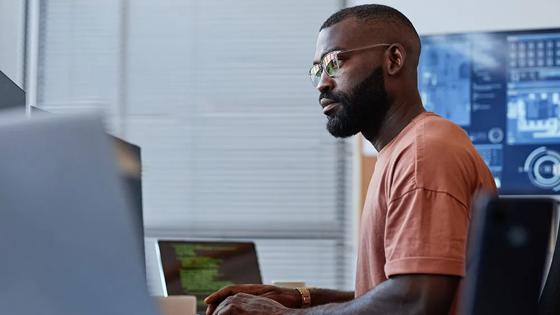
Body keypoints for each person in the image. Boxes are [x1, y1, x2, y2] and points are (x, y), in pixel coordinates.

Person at [204, 4, 497, 315]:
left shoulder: (422, 153)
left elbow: (415, 301)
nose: (322, 83)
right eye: (318, 70)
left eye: (335, 62)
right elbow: (393, 292)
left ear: (393, 60)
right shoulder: (406, 149)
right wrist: (301, 298)